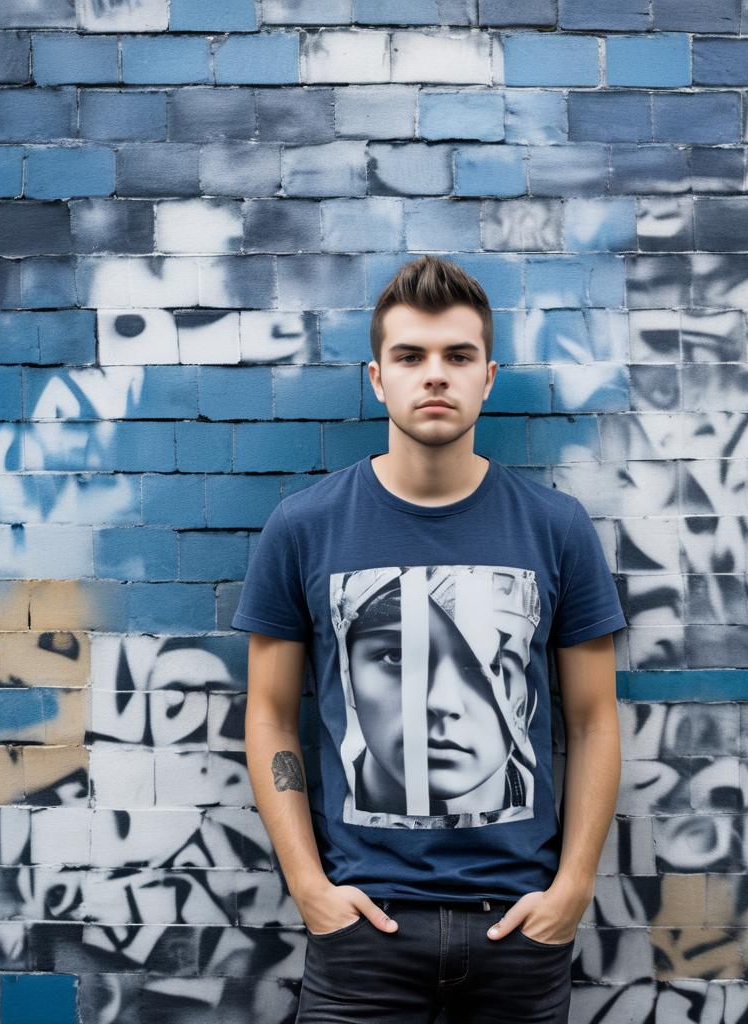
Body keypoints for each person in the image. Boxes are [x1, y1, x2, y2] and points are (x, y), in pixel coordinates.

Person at [232, 254, 627, 1023]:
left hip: (520, 930)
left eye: (458, 356)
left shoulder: (556, 527)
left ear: (489, 376)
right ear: (377, 378)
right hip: (362, 935)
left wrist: (572, 890)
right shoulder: (305, 527)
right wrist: (309, 889)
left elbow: (593, 720)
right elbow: (272, 714)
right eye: (410, 357)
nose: (435, 375)